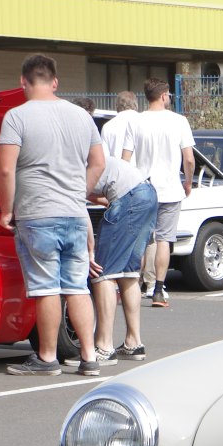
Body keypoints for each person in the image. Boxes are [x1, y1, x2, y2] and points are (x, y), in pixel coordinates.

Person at [0, 54, 104, 377]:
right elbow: (98, 162)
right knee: (77, 286)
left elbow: (5, 169)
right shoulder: (81, 116)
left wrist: (5, 210)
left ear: (23, 82)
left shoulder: (16, 117)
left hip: (37, 214)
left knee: (45, 287)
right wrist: (76, 191)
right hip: (74, 213)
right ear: (55, 81)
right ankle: (89, 356)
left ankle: (47, 357)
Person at [87, 151, 158, 362]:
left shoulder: (68, 165)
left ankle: (103, 346)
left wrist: (90, 249)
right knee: (128, 272)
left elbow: (76, 205)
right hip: (147, 193)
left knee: (102, 273)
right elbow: (94, 196)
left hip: (129, 196)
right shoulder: (84, 157)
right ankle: (133, 343)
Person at [128, 78, 193, 308]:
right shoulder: (179, 121)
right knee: (165, 239)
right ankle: (157, 290)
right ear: (164, 95)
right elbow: (188, 158)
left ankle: (134, 287)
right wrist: (187, 182)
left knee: (143, 239)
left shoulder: (135, 121)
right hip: (170, 189)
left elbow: (126, 159)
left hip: (142, 187)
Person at [101, 90, 140, 160]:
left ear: (117, 105)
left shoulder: (107, 126)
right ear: (135, 104)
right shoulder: (143, 121)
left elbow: (105, 158)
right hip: (141, 169)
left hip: (117, 169)